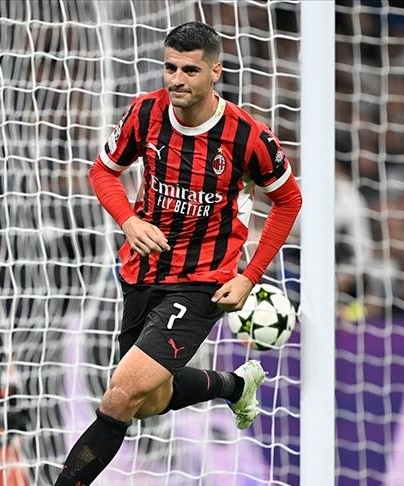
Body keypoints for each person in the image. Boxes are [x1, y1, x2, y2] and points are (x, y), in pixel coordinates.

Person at [55, 21, 302, 485]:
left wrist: (248, 276)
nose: (177, 79)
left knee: (119, 395)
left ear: (215, 72)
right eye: (170, 68)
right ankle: (233, 384)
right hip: (142, 272)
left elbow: (288, 201)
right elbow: (103, 172)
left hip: (202, 281)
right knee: (146, 402)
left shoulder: (247, 136)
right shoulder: (145, 112)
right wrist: (129, 221)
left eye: (190, 70)